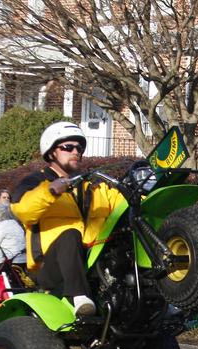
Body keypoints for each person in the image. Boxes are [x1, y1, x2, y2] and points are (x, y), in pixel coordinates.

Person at [11, 121, 125, 317]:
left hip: (90, 261)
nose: (76, 152)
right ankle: (78, 295)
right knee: (70, 234)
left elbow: (124, 204)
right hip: (49, 267)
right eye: (68, 147)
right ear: (51, 151)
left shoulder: (93, 186)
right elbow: (23, 210)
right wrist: (51, 191)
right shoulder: (36, 183)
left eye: (79, 148)